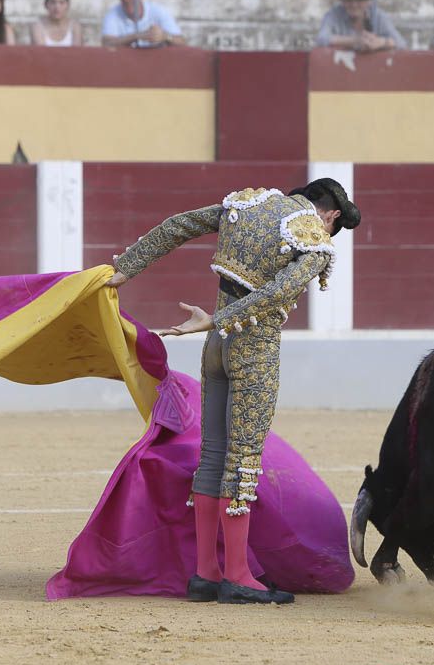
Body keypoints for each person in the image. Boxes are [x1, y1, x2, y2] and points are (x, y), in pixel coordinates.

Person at [105, 179, 361, 604]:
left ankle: (205, 573)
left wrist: (128, 266)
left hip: (215, 351)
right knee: (240, 462)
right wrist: (216, 320)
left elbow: (178, 225)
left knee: (212, 454)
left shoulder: (248, 203)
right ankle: (238, 575)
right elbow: (279, 291)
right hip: (252, 349)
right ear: (331, 214)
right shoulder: (314, 236)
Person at [315, 0, 404, 53]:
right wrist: (355, 40)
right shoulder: (333, 14)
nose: (354, 4)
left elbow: (400, 43)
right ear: (342, 0)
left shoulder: (379, 16)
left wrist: (381, 43)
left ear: (368, 1)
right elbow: (321, 39)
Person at [101, 0, 184, 49]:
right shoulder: (113, 14)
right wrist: (137, 36)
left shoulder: (158, 12)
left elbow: (181, 42)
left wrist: (165, 36)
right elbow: (106, 43)